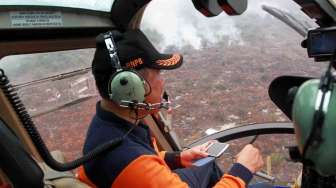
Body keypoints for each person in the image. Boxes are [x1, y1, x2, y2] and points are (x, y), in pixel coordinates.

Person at [77, 29, 264, 188]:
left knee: (207, 165)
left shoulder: (110, 123)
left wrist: (176, 158)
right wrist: (242, 171)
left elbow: (142, 160)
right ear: (130, 88)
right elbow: (136, 166)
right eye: (158, 73)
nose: (162, 80)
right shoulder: (126, 158)